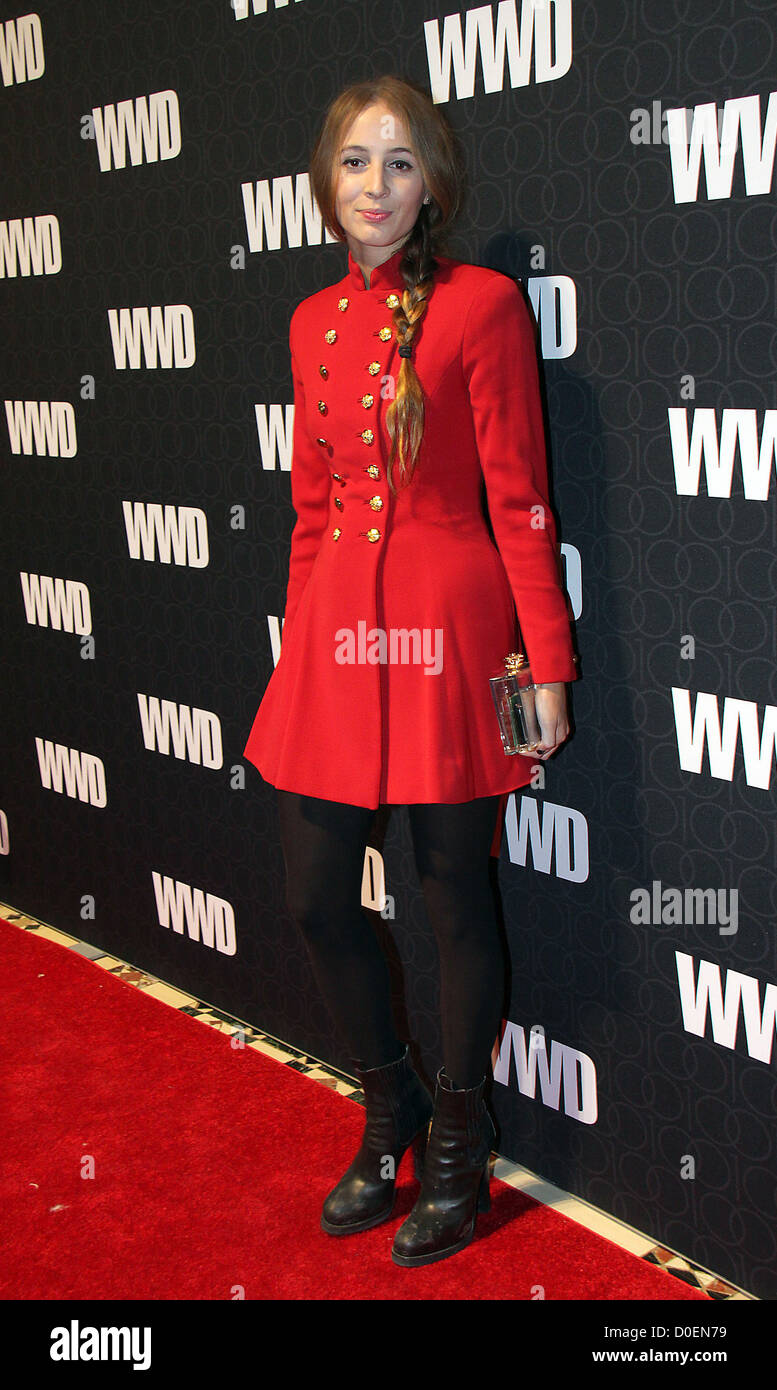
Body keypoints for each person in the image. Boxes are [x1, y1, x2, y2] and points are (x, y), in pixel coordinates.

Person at [243, 74, 578, 1268]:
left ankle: (454, 1137)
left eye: (398, 161)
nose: (374, 185)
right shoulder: (306, 324)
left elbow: (523, 500)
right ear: (324, 183)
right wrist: (299, 651)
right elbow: (310, 508)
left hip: (448, 629)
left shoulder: (482, 306)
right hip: (334, 635)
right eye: (353, 161)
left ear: (432, 181)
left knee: (450, 898)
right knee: (316, 895)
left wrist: (545, 663)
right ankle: (383, 1111)